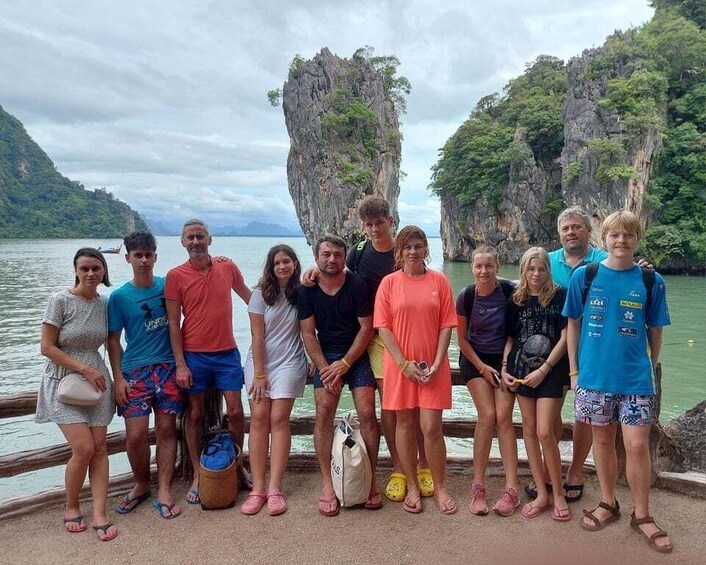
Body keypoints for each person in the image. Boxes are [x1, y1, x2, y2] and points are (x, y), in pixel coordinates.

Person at [303, 196, 432, 502]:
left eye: (380, 222)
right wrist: (310, 270)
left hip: (408, 335)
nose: (375, 229)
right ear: (363, 227)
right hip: (376, 338)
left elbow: (423, 282)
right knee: (390, 405)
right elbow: (335, 274)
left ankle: (423, 464)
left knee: (414, 404)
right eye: (369, 224)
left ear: (391, 221)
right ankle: (400, 468)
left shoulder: (403, 252)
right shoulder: (360, 253)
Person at [564, 211, 672, 553]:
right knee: (602, 440)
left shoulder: (651, 281)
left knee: (637, 445)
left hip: (636, 380)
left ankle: (643, 515)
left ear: (637, 239)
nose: (621, 241)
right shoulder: (586, 275)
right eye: (615, 235)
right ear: (604, 239)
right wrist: (575, 372)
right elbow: (573, 326)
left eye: (628, 235)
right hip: (594, 377)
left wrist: (649, 365)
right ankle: (608, 502)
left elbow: (656, 330)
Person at [164, 219, 251, 505]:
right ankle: (200, 475)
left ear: (210, 239)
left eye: (200, 236)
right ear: (182, 242)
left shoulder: (227, 267)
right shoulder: (175, 276)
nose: (196, 242)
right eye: (190, 237)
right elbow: (173, 324)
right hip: (194, 355)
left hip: (227, 352)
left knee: (236, 412)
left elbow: (252, 299)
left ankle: (236, 466)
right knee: (195, 414)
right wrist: (180, 364)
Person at [374, 226, 457, 515]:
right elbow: (383, 326)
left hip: (433, 366)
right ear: (399, 251)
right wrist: (402, 363)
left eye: (418, 246)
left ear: (426, 249)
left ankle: (440, 485)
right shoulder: (388, 283)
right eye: (407, 247)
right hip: (400, 367)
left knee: (432, 428)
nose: (413, 251)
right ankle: (411, 484)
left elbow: (447, 323)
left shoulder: (440, 281)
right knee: (405, 426)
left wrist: (437, 361)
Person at [36, 248, 117, 541]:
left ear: (103, 271)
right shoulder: (59, 301)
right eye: (84, 269)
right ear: (75, 271)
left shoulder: (105, 304)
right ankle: (71, 506)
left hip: (96, 382)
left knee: (100, 448)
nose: (91, 274)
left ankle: (99, 512)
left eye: (96, 268)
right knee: (83, 449)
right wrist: (84, 368)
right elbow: (46, 347)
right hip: (64, 380)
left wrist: (119, 377)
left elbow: (112, 345)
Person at [298, 235, 380, 516]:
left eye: (337, 254)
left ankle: (369, 479)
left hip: (356, 357)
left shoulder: (357, 285)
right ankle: (326, 483)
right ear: (317, 257)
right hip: (326, 357)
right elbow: (308, 333)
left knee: (368, 413)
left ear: (345, 258)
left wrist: (345, 363)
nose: (332, 259)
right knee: (323, 412)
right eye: (326, 254)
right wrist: (325, 368)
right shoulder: (307, 289)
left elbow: (366, 329)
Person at [107, 231, 185, 519]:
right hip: (135, 371)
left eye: (148, 255)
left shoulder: (169, 286)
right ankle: (141, 484)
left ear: (155, 256)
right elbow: (113, 340)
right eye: (137, 255)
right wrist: (118, 378)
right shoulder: (119, 297)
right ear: (127, 258)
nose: (143, 260)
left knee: (166, 429)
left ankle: (164, 488)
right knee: (136, 435)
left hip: (167, 367)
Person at [543, 206, 608, 503]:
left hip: (592, 351)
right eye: (566, 228)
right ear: (559, 233)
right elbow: (526, 284)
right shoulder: (549, 261)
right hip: (554, 350)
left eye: (576, 227)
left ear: (588, 230)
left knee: (586, 415)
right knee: (552, 411)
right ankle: (552, 468)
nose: (571, 232)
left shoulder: (604, 262)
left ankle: (576, 471)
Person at [501, 247, 570, 521]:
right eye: (531, 269)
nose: (536, 274)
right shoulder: (515, 299)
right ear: (523, 270)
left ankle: (559, 493)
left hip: (551, 371)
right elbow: (510, 338)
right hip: (521, 371)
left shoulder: (559, 295)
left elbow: (566, 337)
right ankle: (541, 492)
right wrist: (505, 367)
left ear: (548, 270)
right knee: (528, 430)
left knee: (544, 432)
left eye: (541, 268)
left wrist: (545, 368)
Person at [240, 244, 308, 516]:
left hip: (291, 360)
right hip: (260, 362)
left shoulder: (302, 293)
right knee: (258, 419)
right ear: (270, 267)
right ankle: (258, 488)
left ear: (294, 264)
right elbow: (257, 337)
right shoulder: (259, 295)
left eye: (287, 261)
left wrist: (314, 357)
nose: (282, 266)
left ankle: (275, 487)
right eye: (277, 262)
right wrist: (259, 374)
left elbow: (309, 330)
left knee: (279, 419)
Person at [456, 245, 519, 516]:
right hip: (474, 360)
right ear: (472, 268)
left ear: (498, 266)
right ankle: (478, 485)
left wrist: (503, 365)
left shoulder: (510, 292)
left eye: (489, 266)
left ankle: (511, 488)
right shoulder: (466, 295)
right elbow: (461, 339)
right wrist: (482, 368)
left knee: (504, 417)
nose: (484, 271)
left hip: (504, 359)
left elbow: (513, 334)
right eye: (479, 266)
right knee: (487, 415)